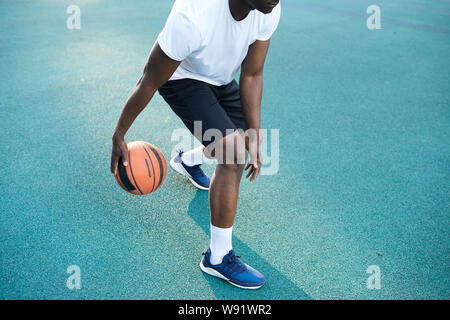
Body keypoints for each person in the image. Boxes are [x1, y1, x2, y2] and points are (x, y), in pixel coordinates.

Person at [110, 0, 280, 289]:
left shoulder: (269, 6)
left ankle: (188, 160)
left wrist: (254, 132)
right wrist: (119, 133)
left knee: (241, 141)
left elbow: (252, 74)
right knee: (234, 155)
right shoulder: (193, 14)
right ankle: (217, 257)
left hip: (220, 78)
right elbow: (149, 80)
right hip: (182, 78)